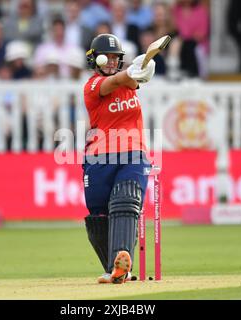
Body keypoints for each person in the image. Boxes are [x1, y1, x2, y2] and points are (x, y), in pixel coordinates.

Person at [83, 34, 155, 284]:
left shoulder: (130, 82)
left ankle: (121, 265)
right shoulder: (92, 86)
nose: (112, 62)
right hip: (98, 158)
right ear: (95, 60)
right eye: (107, 58)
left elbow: (133, 82)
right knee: (98, 215)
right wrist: (133, 72)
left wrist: (142, 70)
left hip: (133, 151)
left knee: (126, 202)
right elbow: (113, 82)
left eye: (116, 58)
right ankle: (111, 268)